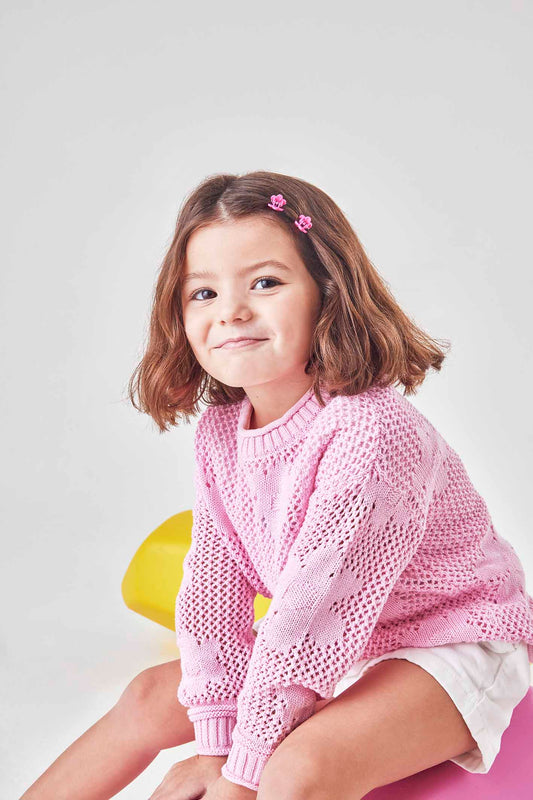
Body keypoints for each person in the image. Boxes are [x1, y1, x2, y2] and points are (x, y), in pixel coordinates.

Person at [21, 170, 533, 800]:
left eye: (265, 283)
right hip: (335, 639)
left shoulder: (371, 431)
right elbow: (214, 589)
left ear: (327, 293)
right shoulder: (221, 432)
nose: (232, 311)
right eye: (203, 292)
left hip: (445, 636)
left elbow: (310, 620)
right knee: (148, 698)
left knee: (295, 770)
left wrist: (239, 773)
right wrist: (213, 743)